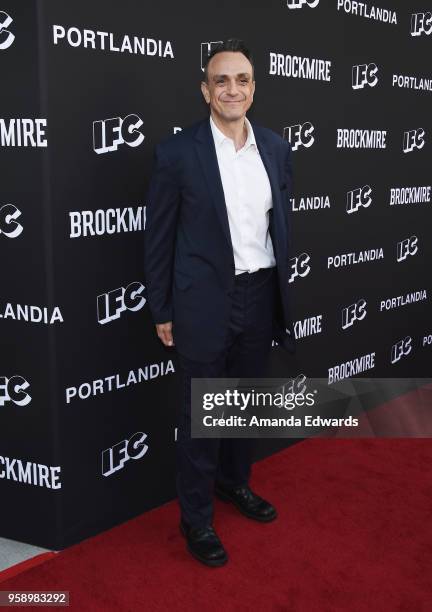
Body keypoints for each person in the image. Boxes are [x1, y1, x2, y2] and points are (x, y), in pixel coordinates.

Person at [144, 38, 295, 567]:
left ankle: (235, 485)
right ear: (206, 90)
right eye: (222, 80)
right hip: (203, 302)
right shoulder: (178, 152)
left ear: (254, 87)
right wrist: (162, 308)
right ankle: (196, 519)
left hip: (260, 295)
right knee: (200, 415)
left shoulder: (275, 148)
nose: (233, 89)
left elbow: (278, 227)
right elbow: (159, 238)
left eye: (243, 80)